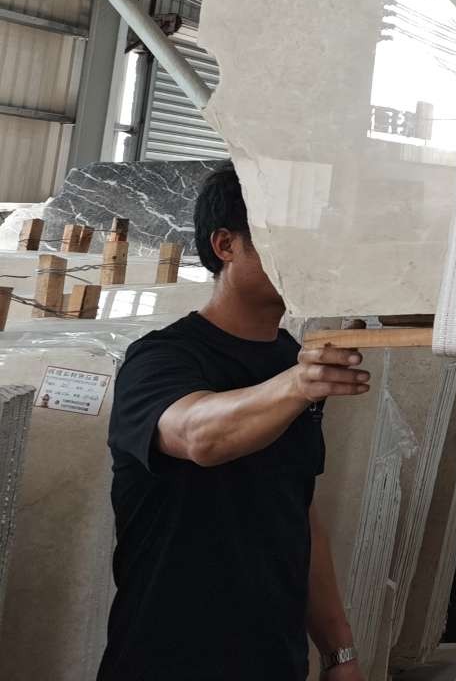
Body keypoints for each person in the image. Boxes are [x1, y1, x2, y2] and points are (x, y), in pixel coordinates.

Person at [98, 166, 372, 681]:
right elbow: (199, 435)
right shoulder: (160, 358)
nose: (306, 258)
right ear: (225, 245)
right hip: (167, 660)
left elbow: (297, 510)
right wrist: (298, 385)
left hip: (275, 658)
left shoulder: (291, 360)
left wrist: (340, 652)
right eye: (283, 239)